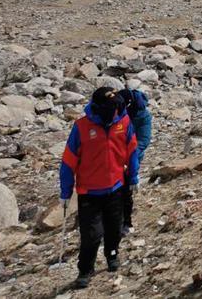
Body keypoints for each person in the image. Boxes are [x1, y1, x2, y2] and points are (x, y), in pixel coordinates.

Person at [60, 87, 140, 289]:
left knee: (114, 228)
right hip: (89, 191)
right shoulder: (82, 127)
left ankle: (112, 255)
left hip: (116, 186)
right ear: (98, 107)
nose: (115, 111)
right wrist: (65, 191)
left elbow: (132, 150)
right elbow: (69, 161)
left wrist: (133, 176)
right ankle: (85, 270)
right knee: (91, 235)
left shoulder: (123, 122)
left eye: (117, 106)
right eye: (111, 107)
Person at [116, 88, 152, 235]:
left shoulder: (142, 115)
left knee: (126, 191)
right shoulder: (115, 109)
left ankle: (126, 222)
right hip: (113, 157)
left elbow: (143, 140)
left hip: (131, 158)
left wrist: (130, 158)